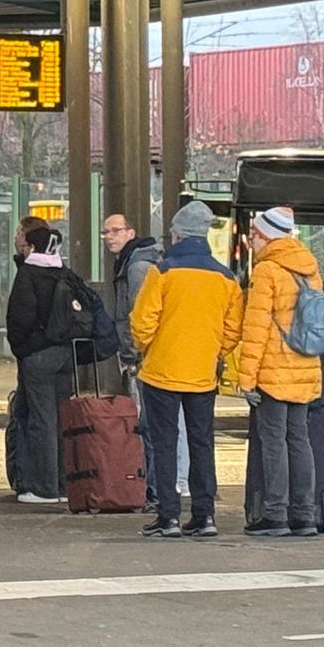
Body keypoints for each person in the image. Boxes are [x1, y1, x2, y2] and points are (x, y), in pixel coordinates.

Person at [129, 201, 242, 539]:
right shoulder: (226, 278)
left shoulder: (162, 271)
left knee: (165, 444)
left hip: (162, 371)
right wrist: (214, 351)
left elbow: (142, 321)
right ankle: (205, 516)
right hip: (203, 373)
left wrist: (147, 347)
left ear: (177, 235)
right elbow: (233, 329)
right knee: (202, 443)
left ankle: (168, 517)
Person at [236, 207, 324, 538]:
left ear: (264, 236)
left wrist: (246, 379)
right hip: (304, 364)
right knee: (299, 439)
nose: (251, 243)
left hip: (273, 368)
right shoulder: (309, 268)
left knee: (273, 442)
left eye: (253, 236)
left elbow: (256, 328)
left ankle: (275, 514)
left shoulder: (268, 271)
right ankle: (305, 514)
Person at [4, 227, 87, 505]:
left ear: (31, 247)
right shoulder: (63, 272)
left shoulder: (29, 274)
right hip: (66, 353)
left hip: (39, 356)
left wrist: (23, 349)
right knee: (63, 418)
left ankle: (44, 488)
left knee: (42, 420)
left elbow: (20, 316)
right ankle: (65, 486)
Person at [104, 213, 180, 508]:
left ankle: (156, 491)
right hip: (145, 355)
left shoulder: (136, 267)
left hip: (144, 358)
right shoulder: (133, 262)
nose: (110, 236)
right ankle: (158, 489)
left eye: (115, 231)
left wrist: (134, 354)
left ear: (130, 232)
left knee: (149, 425)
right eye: (106, 232)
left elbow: (139, 315)